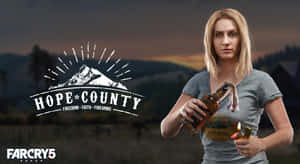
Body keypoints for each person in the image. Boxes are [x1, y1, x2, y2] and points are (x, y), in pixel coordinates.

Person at [160, 8, 294, 164]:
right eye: (218, 35)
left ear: (242, 38)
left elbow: (287, 133)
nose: (225, 41)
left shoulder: (261, 80)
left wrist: (261, 144)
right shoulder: (198, 81)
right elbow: (165, 130)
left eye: (232, 34)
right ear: (210, 40)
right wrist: (181, 113)